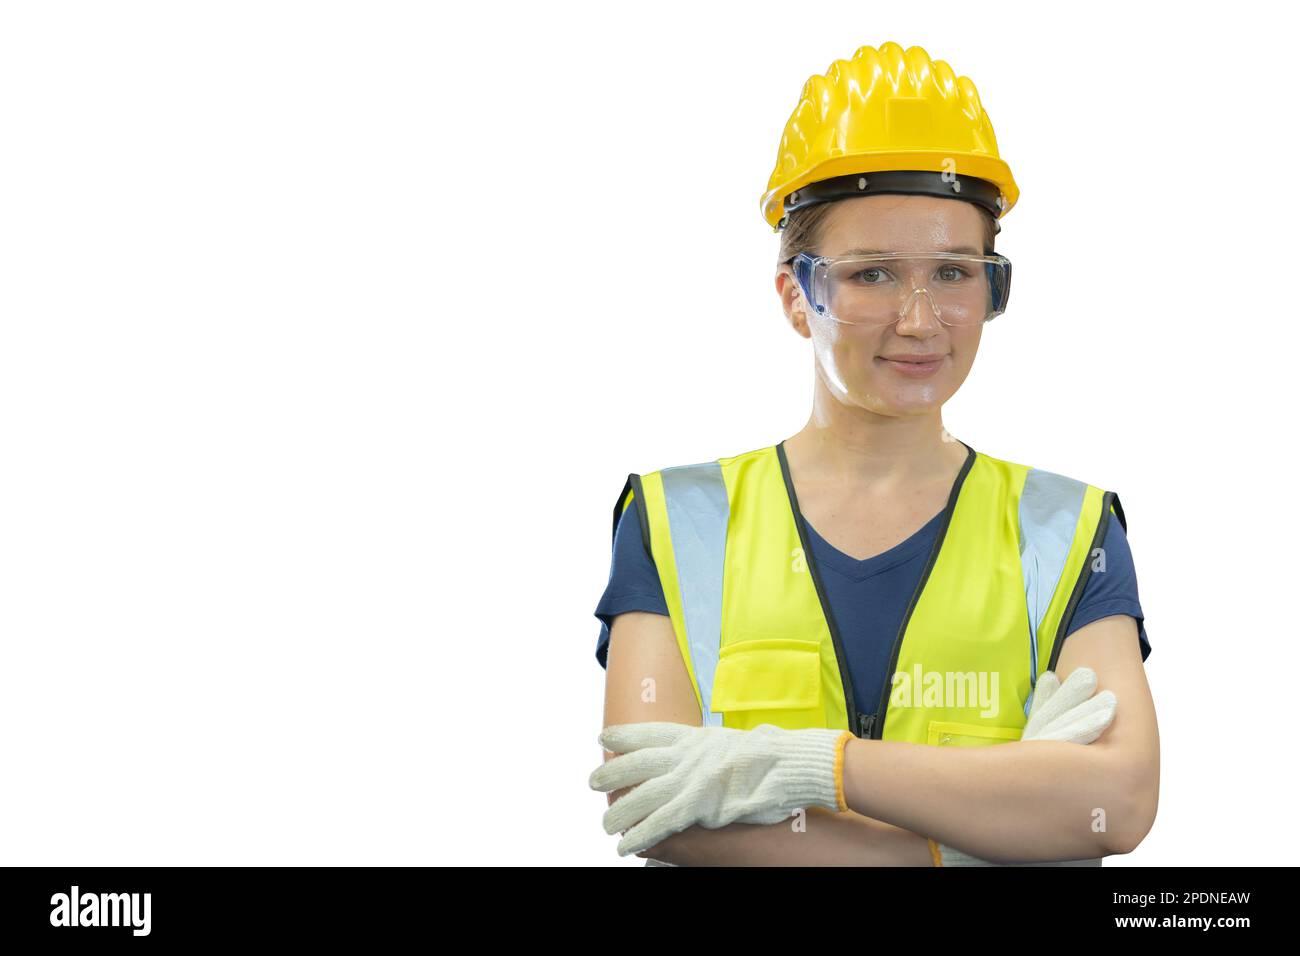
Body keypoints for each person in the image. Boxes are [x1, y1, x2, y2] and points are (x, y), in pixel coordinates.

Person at [589, 41, 1159, 866]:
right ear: (796, 295)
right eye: (875, 276)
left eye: (955, 273)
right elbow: (655, 805)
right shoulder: (675, 520)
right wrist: (994, 832)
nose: (922, 321)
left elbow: (1119, 803)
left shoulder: (1069, 531)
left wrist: (812, 768)